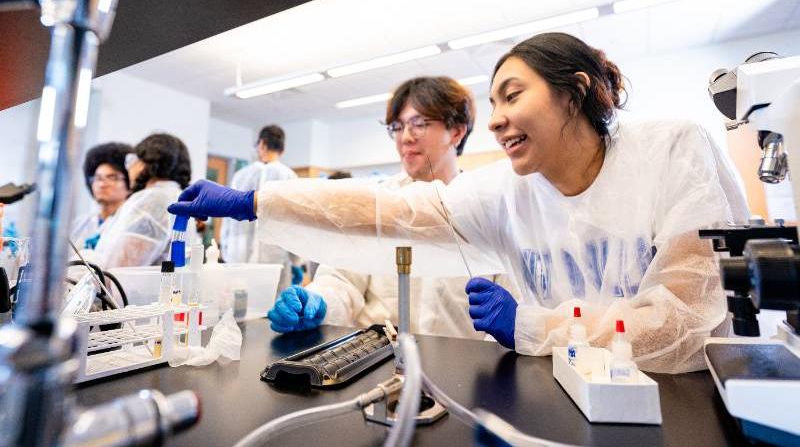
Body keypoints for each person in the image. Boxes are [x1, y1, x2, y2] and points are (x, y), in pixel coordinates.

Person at [170, 32, 749, 373]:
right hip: (552, 393)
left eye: (512, 96)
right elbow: (388, 213)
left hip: (670, 405)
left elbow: (686, 325)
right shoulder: (503, 193)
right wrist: (257, 201)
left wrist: (529, 325)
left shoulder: (669, 151)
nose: (497, 119)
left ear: (575, 91)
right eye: (493, 103)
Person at [270, 77, 517, 339]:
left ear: (456, 131)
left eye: (419, 124)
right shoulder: (378, 202)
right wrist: (319, 302)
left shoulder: (486, 210)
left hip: (461, 362)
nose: (405, 137)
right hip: (377, 357)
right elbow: (342, 281)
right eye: (398, 127)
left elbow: (510, 307)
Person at [95, 133, 193, 269]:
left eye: (133, 160)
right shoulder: (176, 196)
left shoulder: (154, 199)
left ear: (146, 162)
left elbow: (118, 267)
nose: (129, 168)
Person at [220, 125, 296, 265]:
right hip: (274, 261)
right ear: (282, 149)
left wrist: (224, 249)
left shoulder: (240, 176)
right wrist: (296, 260)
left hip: (238, 256)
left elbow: (228, 216)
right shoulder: (289, 177)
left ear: (261, 144)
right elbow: (294, 223)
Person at [71, 142, 133, 250]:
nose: (102, 184)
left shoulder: (132, 224)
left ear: (130, 183)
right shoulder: (79, 225)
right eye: (98, 178)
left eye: (112, 178)